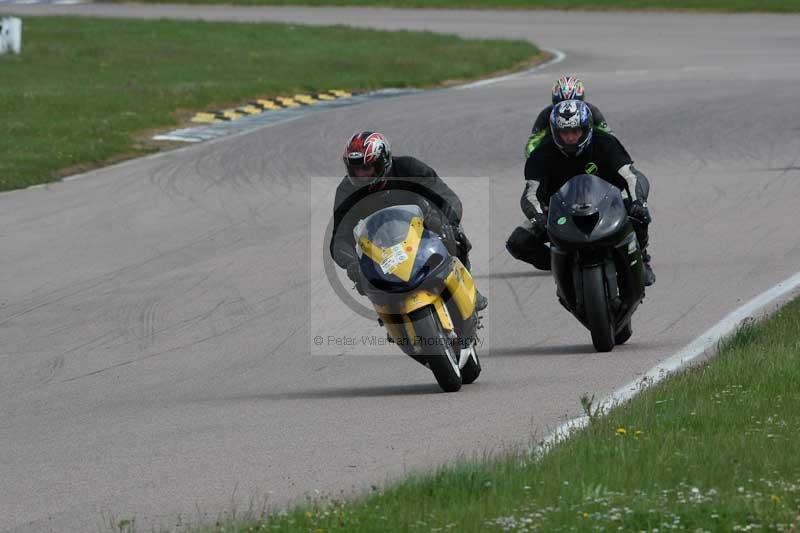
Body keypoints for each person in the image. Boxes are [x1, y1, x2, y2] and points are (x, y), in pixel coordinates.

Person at [330, 131, 488, 310]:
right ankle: (392, 317)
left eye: (367, 168)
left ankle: (468, 288)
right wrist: (351, 263)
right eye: (356, 170)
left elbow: (446, 198)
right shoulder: (346, 190)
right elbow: (339, 237)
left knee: (456, 237)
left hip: (425, 230)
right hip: (382, 246)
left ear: (383, 161)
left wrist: (449, 225)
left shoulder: (409, 168)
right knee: (365, 279)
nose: (361, 175)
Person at [507, 100, 656, 286]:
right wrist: (537, 217)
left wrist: (638, 201)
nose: (570, 138)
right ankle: (563, 267)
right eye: (564, 132)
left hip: (607, 207)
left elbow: (632, 176)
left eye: (575, 131)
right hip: (559, 213)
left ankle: (640, 259)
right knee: (517, 242)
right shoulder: (542, 153)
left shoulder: (605, 143)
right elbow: (530, 192)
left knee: (639, 215)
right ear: (555, 131)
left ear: (586, 129)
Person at [525, 75, 613, 158]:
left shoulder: (591, 111)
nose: (567, 109)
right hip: (555, 157)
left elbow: (610, 137)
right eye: (561, 103)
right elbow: (533, 143)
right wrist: (535, 162)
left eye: (573, 104)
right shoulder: (546, 114)